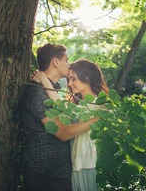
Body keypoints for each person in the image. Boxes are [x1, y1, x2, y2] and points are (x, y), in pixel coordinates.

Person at [20, 43, 99, 191]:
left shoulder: (51, 90)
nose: (69, 65)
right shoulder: (38, 93)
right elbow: (63, 133)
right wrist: (98, 119)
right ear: (56, 62)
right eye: (66, 61)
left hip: (58, 172)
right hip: (45, 174)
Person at [32, 59, 108, 191]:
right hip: (75, 165)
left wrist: (44, 79)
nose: (70, 84)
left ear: (87, 77)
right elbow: (60, 103)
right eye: (69, 80)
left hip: (87, 165)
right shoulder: (79, 105)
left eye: (73, 79)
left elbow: (59, 104)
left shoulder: (99, 104)